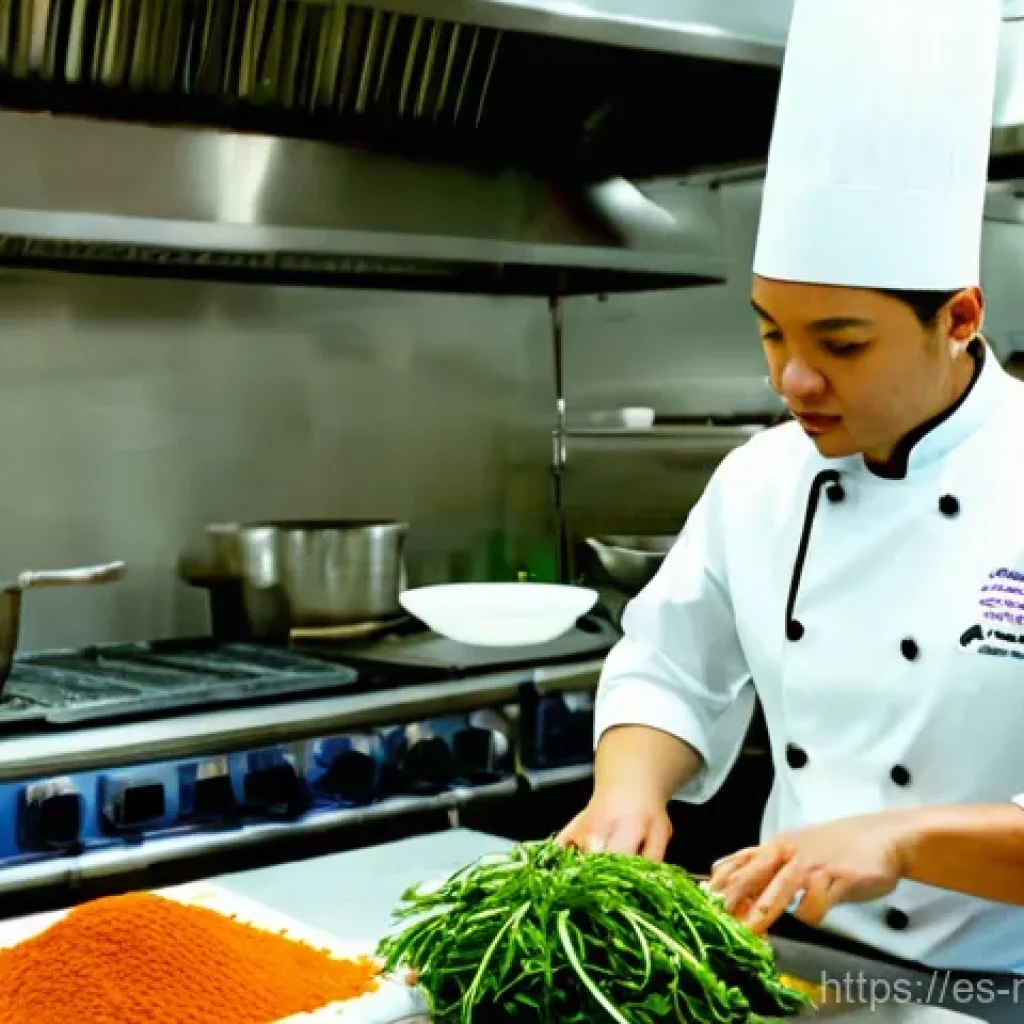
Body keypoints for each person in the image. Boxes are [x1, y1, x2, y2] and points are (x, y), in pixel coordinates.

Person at [559, 0, 1024, 975]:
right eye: (771, 330)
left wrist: (902, 840)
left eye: (839, 344)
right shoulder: (761, 481)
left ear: (960, 317)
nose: (789, 380)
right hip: (794, 964)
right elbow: (669, 665)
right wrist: (628, 788)